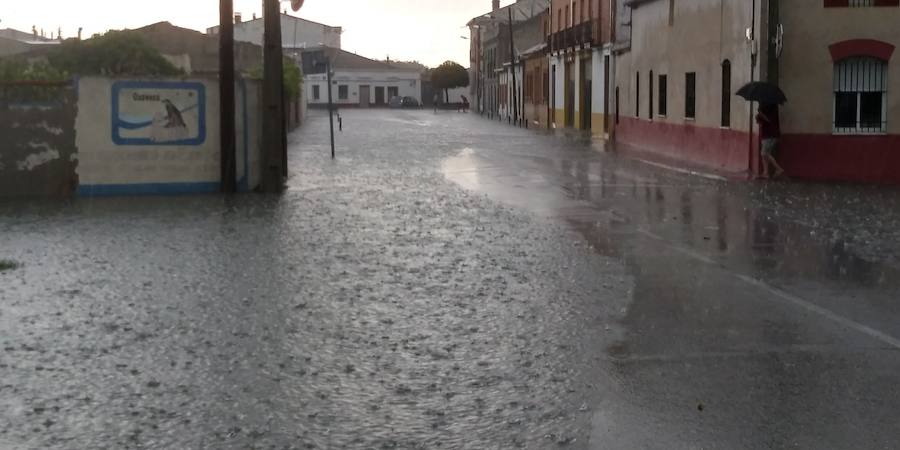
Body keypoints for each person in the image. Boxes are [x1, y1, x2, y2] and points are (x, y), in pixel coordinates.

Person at [756, 103, 786, 178]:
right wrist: (757, 117)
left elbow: (769, 120)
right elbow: (760, 122)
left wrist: (761, 114)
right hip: (765, 134)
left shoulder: (773, 107)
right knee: (765, 154)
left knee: (764, 153)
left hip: (771, 134)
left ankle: (779, 169)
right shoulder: (763, 107)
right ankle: (766, 173)